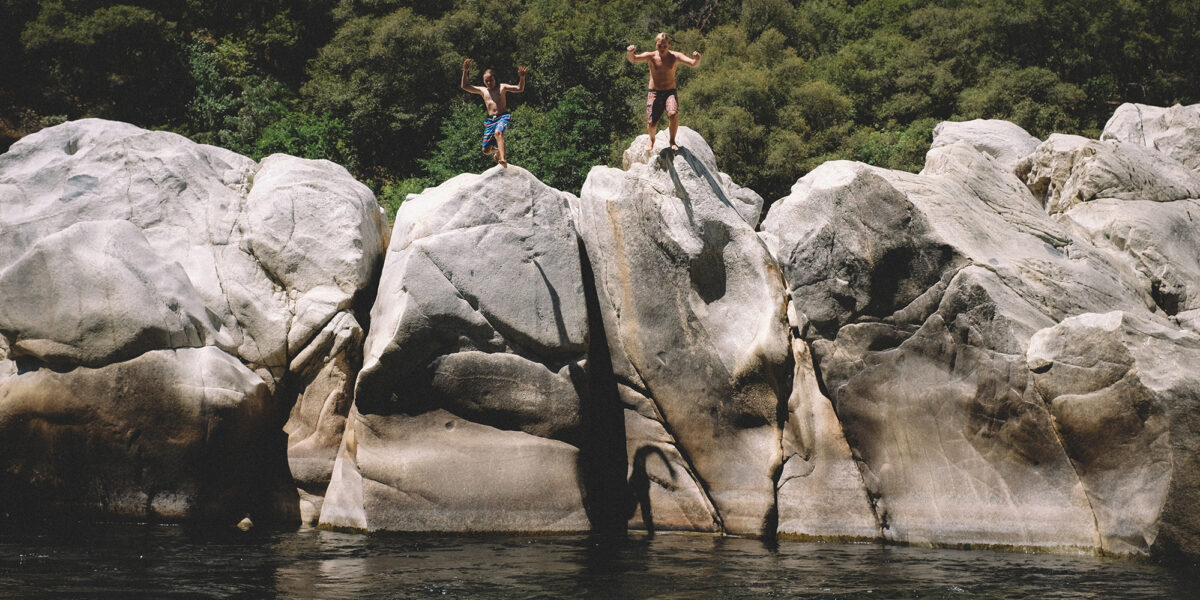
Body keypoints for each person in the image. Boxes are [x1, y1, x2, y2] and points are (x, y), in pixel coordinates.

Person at [627, 33, 701, 152]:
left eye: (664, 46)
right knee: (651, 123)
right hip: (654, 92)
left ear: (669, 45)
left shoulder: (675, 56)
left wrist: (697, 59)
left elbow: (693, 64)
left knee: (672, 114)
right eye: (659, 46)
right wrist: (630, 52)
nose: (662, 49)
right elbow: (634, 59)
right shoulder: (651, 56)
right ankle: (651, 139)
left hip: (669, 92)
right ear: (656, 44)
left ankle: (672, 141)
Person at [461, 59, 526, 167]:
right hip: (490, 120)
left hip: (502, 117)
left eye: (491, 80)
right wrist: (465, 71)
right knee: (486, 150)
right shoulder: (483, 90)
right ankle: (496, 151)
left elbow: (519, 88)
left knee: (498, 133)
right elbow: (465, 86)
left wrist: (522, 78)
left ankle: (504, 159)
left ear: (495, 78)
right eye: (486, 81)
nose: (489, 83)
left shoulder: (502, 87)